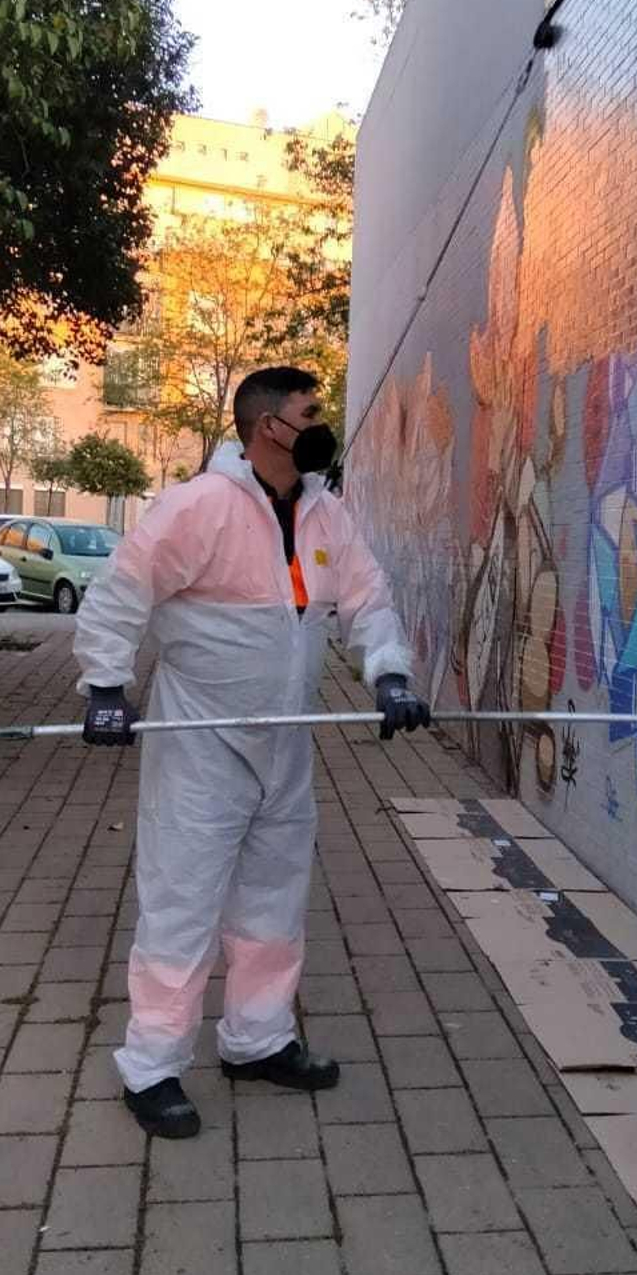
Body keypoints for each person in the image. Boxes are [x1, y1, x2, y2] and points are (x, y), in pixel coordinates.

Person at [74, 366, 431, 1139]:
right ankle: (153, 1065)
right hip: (200, 741)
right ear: (270, 426)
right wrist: (105, 685)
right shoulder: (198, 506)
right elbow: (121, 591)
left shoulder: (326, 515)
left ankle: (258, 1039)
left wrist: (391, 672)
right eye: (309, 411)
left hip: (286, 743)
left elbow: (367, 600)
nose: (320, 422)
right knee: (182, 902)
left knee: (274, 900)